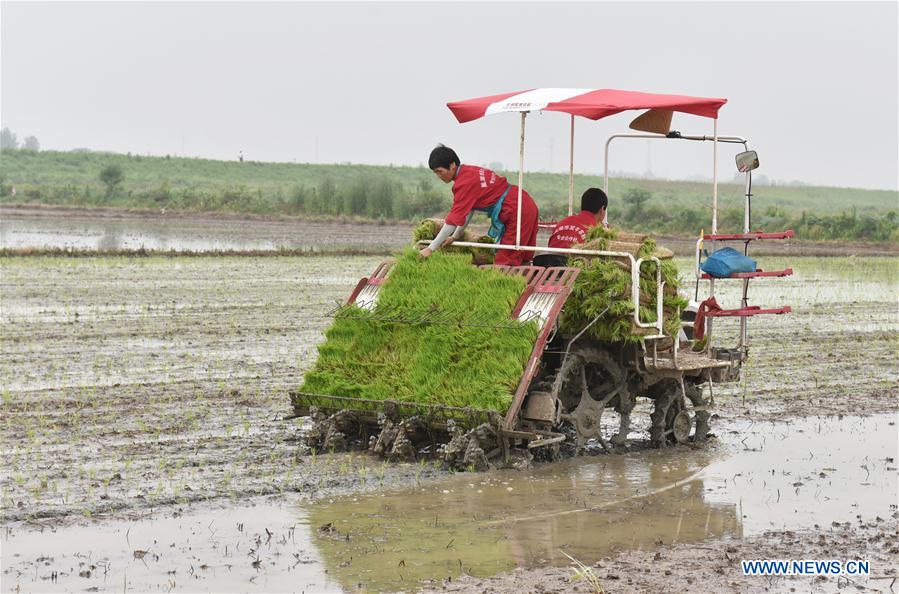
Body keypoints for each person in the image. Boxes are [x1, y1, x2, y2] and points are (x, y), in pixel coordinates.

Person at [419, 145, 539, 266]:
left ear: (452, 165)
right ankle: (524, 282)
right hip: (523, 201)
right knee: (521, 253)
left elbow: (452, 222)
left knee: (507, 259)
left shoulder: (464, 183)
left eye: (440, 171)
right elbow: (468, 211)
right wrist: (455, 236)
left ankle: (509, 283)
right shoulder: (469, 172)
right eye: (436, 173)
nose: (439, 176)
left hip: (516, 209)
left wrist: (430, 248)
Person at [534, 188, 609, 267]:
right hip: (575, 273)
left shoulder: (562, 223)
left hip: (548, 269)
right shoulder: (598, 230)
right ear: (602, 209)